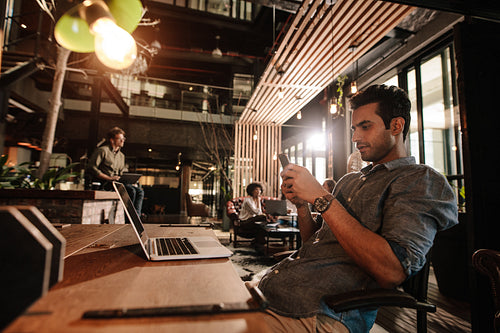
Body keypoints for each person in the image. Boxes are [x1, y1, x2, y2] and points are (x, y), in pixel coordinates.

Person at [257, 85, 458, 332]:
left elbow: (391, 271)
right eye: (354, 129)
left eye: (365, 126)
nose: (355, 138)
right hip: (274, 296)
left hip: (318, 312)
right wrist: (302, 207)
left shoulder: (419, 180)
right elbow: (315, 245)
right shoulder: (349, 181)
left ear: (396, 126)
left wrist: (322, 197)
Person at [87, 127, 144, 216]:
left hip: (118, 182)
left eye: (123, 138)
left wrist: (129, 180)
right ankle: (128, 218)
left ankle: (136, 216)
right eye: (120, 139)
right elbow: (91, 168)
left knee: (140, 191)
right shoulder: (102, 150)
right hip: (106, 182)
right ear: (112, 140)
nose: (123, 141)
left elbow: (122, 173)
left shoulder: (121, 156)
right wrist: (109, 178)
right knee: (131, 191)